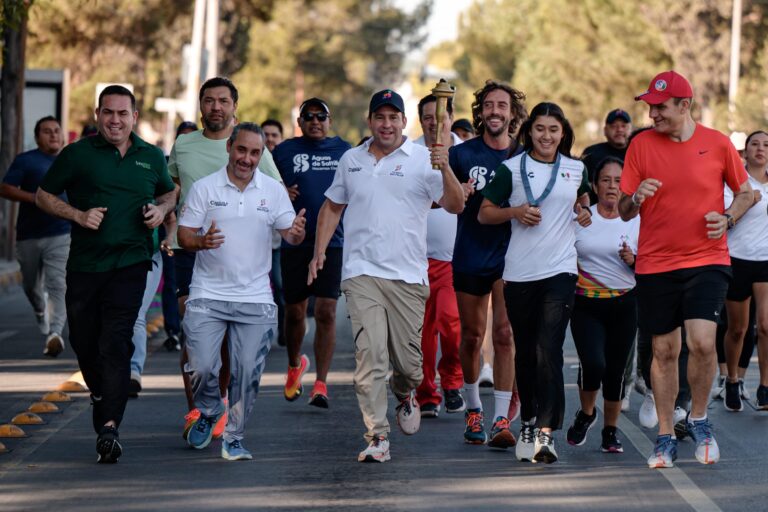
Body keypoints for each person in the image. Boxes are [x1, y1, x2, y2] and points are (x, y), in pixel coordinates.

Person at [309, 89, 464, 462]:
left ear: (403, 123)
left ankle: (405, 390)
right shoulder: (351, 160)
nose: (387, 124)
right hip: (361, 272)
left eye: (394, 117)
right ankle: (377, 436)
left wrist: (445, 167)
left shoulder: (422, 160)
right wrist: (318, 253)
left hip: (409, 277)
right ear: (370, 122)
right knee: (370, 355)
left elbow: (456, 204)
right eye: (380, 117)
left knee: (410, 367)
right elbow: (332, 207)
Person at [618, 70, 753, 468]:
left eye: (660, 107)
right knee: (663, 350)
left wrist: (728, 218)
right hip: (656, 262)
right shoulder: (641, 146)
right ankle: (664, 435)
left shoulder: (718, 144)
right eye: (650, 107)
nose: (652, 114)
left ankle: (698, 419)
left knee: (703, 343)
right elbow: (623, 208)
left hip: (707, 260)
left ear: (684, 105)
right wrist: (635, 199)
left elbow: (746, 193)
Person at [36, 85, 177, 463]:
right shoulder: (78, 154)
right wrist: (78, 216)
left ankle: (110, 427)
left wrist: (161, 213)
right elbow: (43, 195)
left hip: (132, 263)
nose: (116, 120)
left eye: (123, 113)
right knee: (84, 340)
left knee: (116, 341)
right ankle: (100, 394)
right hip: (85, 265)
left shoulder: (151, 156)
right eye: (109, 113)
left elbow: (169, 193)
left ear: (134, 116)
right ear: (98, 114)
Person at [178, 123, 306, 460]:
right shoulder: (205, 188)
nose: (246, 159)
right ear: (229, 149)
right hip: (208, 293)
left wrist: (296, 233)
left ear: (261, 155)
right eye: (241, 150)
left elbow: (290, 233)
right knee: (202, 366)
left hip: (255, 298)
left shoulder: (272, 191)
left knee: (247, 370)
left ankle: (234, 437)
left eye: (254, 153)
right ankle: (208, 410)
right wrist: (200, 241)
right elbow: (183, 234)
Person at [168, 77, 283, 441]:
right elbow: (171, 189)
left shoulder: (250, 146)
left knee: (230, 345)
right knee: (195, 336)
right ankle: (198, 410)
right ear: (200, 106)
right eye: (208, 100)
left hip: (239, 257)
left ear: (234, 106)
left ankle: (219, 400)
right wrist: (164, 215)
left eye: (223, 101)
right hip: (191, 248)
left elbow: (276, 191)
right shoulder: (183, 145)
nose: (215, 107)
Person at [480, 101, 592, 464]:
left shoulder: (576, 169)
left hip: (561, 271)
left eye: (554, 130)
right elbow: (484, 213)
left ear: (563, 134)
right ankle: (527, 420)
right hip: (519, 274)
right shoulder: (511, 169)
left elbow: (583, 199)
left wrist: (584, 211)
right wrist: (514, 212)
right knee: (526, 353)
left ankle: (546, 432)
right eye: (540, 129)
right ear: (530, 132)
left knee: (549, 350)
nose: (547, 136)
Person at [449, 80, 526, 448]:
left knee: (505, 334)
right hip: (470, 253)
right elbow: (437, 199)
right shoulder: (462, 155)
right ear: (480, 111)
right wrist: (454, 192)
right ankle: (473, 407)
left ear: (513, 113)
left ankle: (500, 418)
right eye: (489, 106)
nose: (496, 112)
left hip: (512, 256)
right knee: (472, 336)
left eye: (503, 106)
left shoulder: (525, 157)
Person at [272, 97, 351, 408]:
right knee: (294, 312)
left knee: (326, 311)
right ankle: (295, 364)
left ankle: (321, 383)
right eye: (309, 117)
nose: (315, 121)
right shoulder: (285, 151)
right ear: (300, 123)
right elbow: (263, 182)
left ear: (329, 121)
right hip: (295, 242)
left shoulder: (343, 150)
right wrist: (280, 191)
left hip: (333, 242)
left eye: (321, 116)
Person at [566, 157, 639, 453]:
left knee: (615, 371)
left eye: (619, 180)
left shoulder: (637, 219)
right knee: (594, 363)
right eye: (606, 180)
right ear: (595, 186)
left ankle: (610, 430)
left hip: (625, 303)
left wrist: (635, 260)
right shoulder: (583, 218)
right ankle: (586, 413)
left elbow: (653, 262)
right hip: (586, 303)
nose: (612, 186)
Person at [0, 116, 70, 357]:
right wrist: (36, 198)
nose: (53, 135)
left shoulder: (70, 160)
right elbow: (6, 188)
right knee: (30, 285)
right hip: (29, 235)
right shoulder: (26, 161)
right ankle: (40, 309)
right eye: (47, 131)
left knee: (57, 283)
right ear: (37, 137)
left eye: (56, 131)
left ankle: (55, 333)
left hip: (61, 233)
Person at [413, 94, 464, 417]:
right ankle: (426, 393)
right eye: (428, 117)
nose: (434, 122)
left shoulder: (465, 152)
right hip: (414, 258)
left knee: (451, 323)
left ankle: (452, 382)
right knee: (421, 333)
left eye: (439, 116)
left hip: (453, 257)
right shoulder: (411, 153)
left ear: (451, 116)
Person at [722, 130, 768, 411]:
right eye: (755, 144)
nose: (761, 149)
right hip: (736, 259)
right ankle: (732, 379)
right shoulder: (734, 183)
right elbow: (725, 216)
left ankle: (765, 386)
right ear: (745, 151)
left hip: (765, 260)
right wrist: (747, 201)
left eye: (766, 145)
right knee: (738, 329)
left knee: (765, 326)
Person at [581, 109, 632, 184]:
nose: (619, 130)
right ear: (605, 130)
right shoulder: (591, 153)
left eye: (624, 126)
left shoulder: (639, 154)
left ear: (631, 129)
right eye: (614, 126)